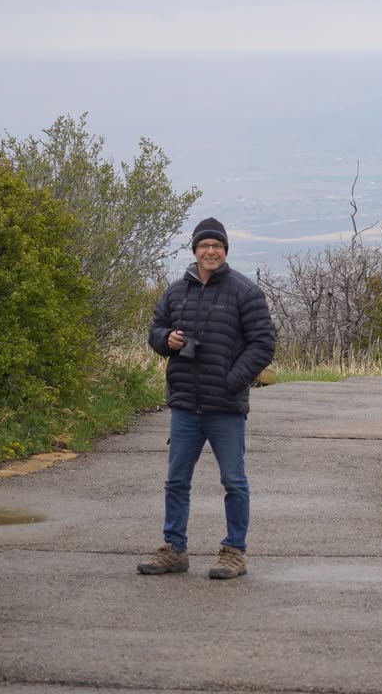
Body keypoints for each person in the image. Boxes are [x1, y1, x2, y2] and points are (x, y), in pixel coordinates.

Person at [139, 217, 276, 579]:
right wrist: (166, 339)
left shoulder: (245, 292)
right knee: (176, 481)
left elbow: (264, 343)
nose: (211, 251)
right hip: (185, 403)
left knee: (233, 482)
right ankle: (174, 550)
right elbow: (155, 331)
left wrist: (232, 380)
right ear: (195, 250)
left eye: (217, 245)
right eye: (205, 245)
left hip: (225, 406)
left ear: (225, 251)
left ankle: (234, 552)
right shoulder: (175, 292)